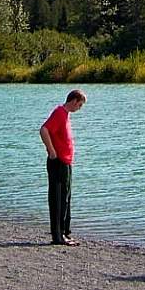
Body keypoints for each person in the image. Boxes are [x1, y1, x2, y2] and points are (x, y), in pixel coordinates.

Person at [39, 89, 87, 246]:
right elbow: (44, 130)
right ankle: (58, 236)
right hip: (58, 162)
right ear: (74, 101)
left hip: (66, 163)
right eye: (79, 105)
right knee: (58, 199)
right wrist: (52, 151)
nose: (79, 108)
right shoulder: (59, 113)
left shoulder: (65, 115)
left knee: (66, 198)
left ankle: (65, 232)